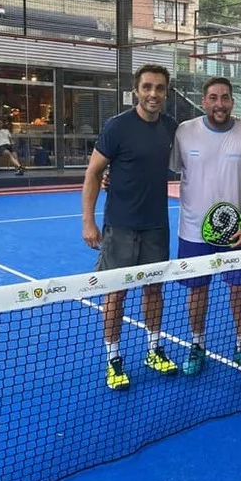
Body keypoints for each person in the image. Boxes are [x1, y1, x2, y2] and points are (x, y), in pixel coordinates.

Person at [82, 65, 181, 391]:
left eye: (160, 88)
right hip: (120, 228)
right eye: (148, 87)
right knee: (116, 294)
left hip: (156, 227)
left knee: (154, 290)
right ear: (137, 90)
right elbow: (94, 173)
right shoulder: (117, 127)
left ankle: (154, 350)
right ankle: (113, 358)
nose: (154, 94)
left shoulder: (171, 128)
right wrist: (89, 221)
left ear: (166, 92)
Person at [170, 77, 241, 376]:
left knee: (239, 290)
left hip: (235, 232)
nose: (219, 103)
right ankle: (197, 344)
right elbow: (163, 168)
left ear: (232, 102)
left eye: (225, 97)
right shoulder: (185, 132)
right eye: (213, 97)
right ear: (204, 101)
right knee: (197, 291)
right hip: (192, 231)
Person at [0, 109, 25, 174]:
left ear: (2, 124)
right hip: (1, 146)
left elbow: (11, 139)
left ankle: (18, 169)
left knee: (14, 154)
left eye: (0, 123)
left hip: (8, 144)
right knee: (8, 154)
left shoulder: (6, 131)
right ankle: (19, 167)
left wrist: (13, 144)